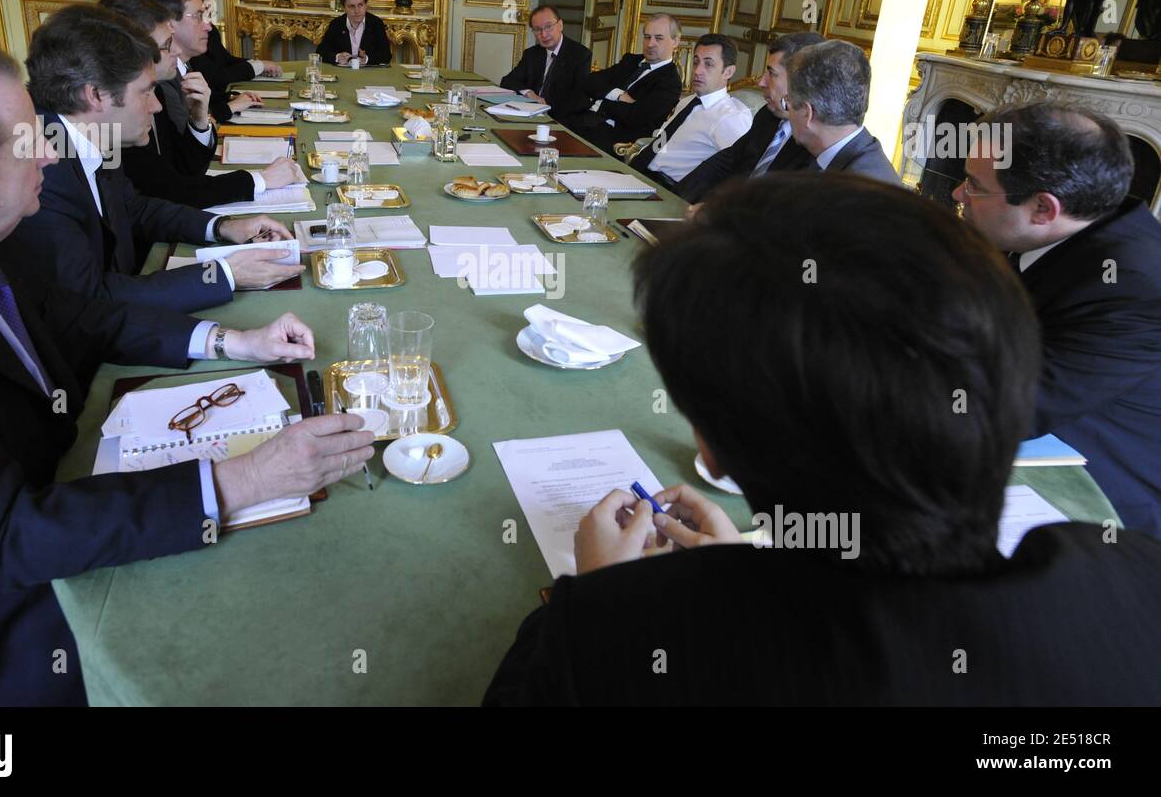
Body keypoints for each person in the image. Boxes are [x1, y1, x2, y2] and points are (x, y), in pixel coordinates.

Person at [484, 174, 1161, 706]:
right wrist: (750, 572)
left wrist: (606, 600)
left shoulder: (613, 639)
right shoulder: (1134, 571)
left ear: (710, 449)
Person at [0, 30, 376, 705]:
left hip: (64, 484)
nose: (48, 146)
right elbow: (3, 536)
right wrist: (249, 476)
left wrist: (233, 342)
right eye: (24, 138)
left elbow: (81, 315)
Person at [0, 3, 302, 314]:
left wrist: (223, 226)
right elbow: (89, 299)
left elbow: (134, 207)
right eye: (145, 92)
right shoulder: (40, 168)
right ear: (96, 95)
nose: (156, 106)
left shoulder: (85, 132)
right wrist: (222, 274)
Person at [953, 102, 1161, 536]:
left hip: (1105, 496)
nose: (958, 194)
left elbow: (1012, 408)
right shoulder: (1066, 229)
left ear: (1043, 209)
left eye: (974, 185)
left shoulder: (1134, 287)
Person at [98, 0, 300, 208]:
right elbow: (172, 191)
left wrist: (199, 120)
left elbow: (185, 171)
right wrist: (259, 180)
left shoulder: (158, 93)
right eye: (167, 44)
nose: (176, 50)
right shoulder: (116, 115)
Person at [678, 32, 824, 204]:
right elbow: (722, 164)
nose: (761, 82)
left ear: (800, 81)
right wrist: (677, 201)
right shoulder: (767, 116)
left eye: (772, 73)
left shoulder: (814, 142)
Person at [630, 33, 752, 186]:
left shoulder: (729, 118)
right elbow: (662, 141)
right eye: (696, 62)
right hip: (641, 173)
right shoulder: (687, 101)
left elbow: (744, 173)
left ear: (728, 72)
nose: (697, 70)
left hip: (670, 189)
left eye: (708, 64)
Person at [778, 39, 899, 183]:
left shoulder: (856, 190)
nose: (788, 114)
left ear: (806, 113)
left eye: (788, 103)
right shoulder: (856, 155)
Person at [146, 0, 263, 129]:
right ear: (169, 23)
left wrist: (230, 99)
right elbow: (184, 145)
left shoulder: (186, 64)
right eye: (198, 16)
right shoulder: (163, 79)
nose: (208, 26)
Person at [562, 14, 683, 156]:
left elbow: (634, 116)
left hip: (616, 141)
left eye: (659, 38)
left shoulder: (670, 82)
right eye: (647, 37)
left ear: (675, 41)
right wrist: (619, 95)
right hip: (584, 121)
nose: (650, 44)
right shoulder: (631, 61)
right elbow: (590, 81)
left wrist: (603, 103)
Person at [178, 0, 282, 122]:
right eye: (199, 15)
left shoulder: (209, 31)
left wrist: (231, 96)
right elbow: (217, 79)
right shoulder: (187, 51)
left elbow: (225, 60)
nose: (207, 24)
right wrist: (232, 105)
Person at [499, 4, 592, 118]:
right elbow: (508, 81)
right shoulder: (532, 54)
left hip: (563, 119)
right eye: (537, 29)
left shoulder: (580, 55)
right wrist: (529, 94)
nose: (543, 34)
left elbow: (578, 99)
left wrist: (546, 112)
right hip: (531, 114)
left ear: (560, 25)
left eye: (548, 27)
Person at [314, 0, 392, 67]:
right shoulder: (337, 24)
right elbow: (320, 52)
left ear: (366, 5)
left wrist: (367, 59)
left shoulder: (376, 23)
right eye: (352, 6)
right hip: (343, 73)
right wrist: (337, 57)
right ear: (344, 8)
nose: (357, 10)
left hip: (368, 74)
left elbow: (386, 55)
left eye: (360, 5)